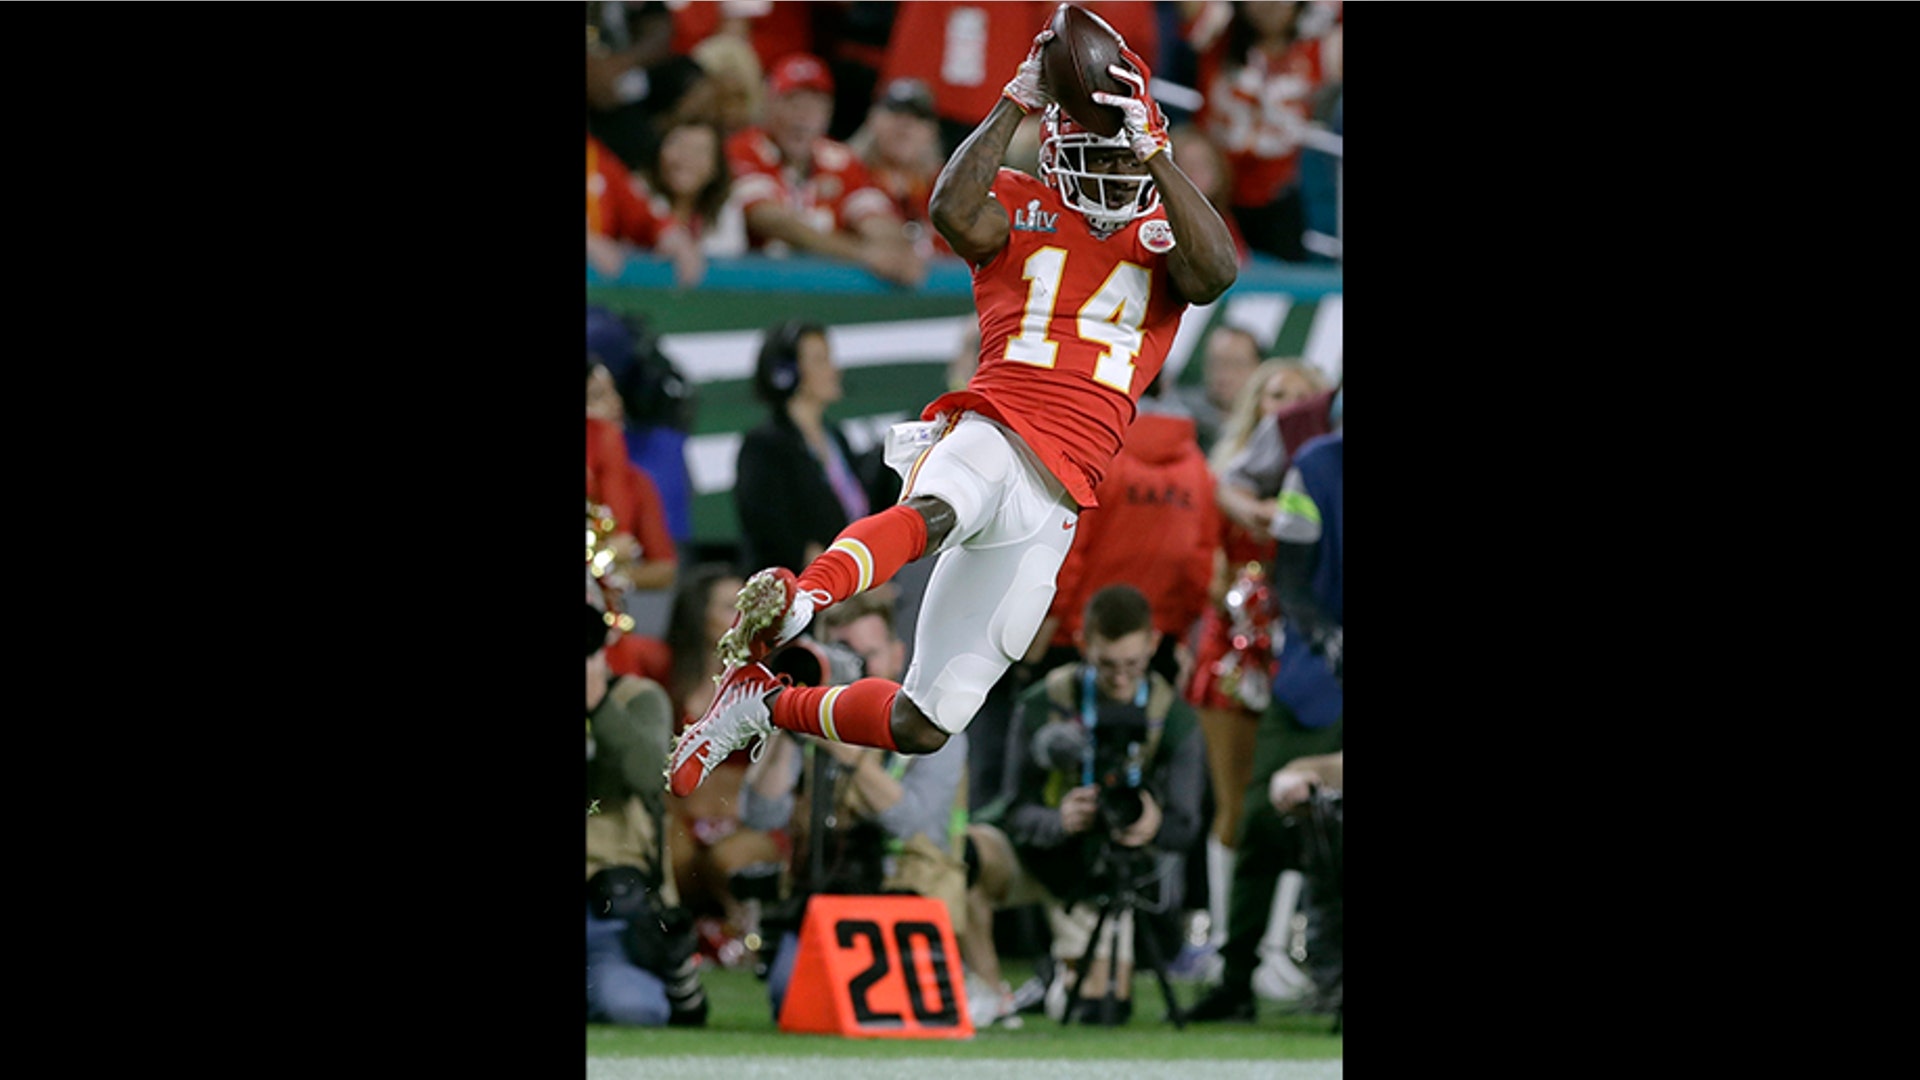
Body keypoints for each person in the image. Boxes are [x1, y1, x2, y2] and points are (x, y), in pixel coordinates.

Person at [668, 7, 1238, 802]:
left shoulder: (1166, 237)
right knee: (944, 503)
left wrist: (1151, 151)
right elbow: (948, 210)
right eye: (1098, 158)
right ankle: (802, 597)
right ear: (1056, 152)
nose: (1112, 176)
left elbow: (1217, 274)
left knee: (926, 723)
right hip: (1001, 420)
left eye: (1125, 161)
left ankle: (762, 700)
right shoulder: (1020, 202)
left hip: (1063, 493)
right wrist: (1012, 100)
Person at [965, 584, 1206, 1025]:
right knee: (967, 855)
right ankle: (988, 991)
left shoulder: (1173, 716)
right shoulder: (1046, 700)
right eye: (1106, 664)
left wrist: (1151, 826)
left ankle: (1060, 979)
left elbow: (1187, 826)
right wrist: (1059, 819)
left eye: (1132, 665)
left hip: (1100, 874)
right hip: (1034, 854)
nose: (1119, 677)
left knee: (1099, 1010)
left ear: (1154, 645)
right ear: (1083, 644)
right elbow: (1013, 805)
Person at [736, 595, 975, 1023]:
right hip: (825, 901)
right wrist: (786, 724)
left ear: (899, 655)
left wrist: (845, 753)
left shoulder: (937, 726)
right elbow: (759, 815)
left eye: (870, 655)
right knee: (789, 997)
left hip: (910, 898)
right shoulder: (811, 716)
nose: (859, 667)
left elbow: (913, 822)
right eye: (843, 653)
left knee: (883, 1012)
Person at [1187, 424, 1342, 1022]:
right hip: (1314, 678)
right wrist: (1324, 635)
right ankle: (1236, 977)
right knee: (1259, 820)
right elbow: (1293, 574)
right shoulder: (1315, 464)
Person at [586, 569, 708, 1027]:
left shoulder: (638, 698)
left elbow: (645, 775)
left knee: (635, 1007)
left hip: (608, 910)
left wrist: (597, 703)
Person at [659, 563, 783, 966]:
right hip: (682, 819)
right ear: (699, 616)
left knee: (728, 859)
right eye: (730, 605)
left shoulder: (768, 679)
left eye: (746, 605)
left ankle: (750, 942)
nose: (741, 616)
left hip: (747, 822)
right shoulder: (666, 675)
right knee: (668, 849)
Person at [725, 52, 926, 287]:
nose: (803, 116)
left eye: (815, 106)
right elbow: (770, 220)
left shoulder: (839, 159)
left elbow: (875, 218)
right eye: (793, 102)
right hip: (756, 290)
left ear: (828, 113)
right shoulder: (743, 148)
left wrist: (896, 250)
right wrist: (861, 255)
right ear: (770, 104)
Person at [732, 320, 897, 577]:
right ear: (785, 372)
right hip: (800, 594)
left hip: (850, 588)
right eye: (821, 360)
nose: (834, 370)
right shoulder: (763, 446)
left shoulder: (836, 437)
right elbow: (772, 533)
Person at [1191, 0, 1341, 262]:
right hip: (1215, 190)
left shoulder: (1319, 51)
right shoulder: (1218, 34)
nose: (1268, 5)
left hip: (1280, 196)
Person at [846, 77, 953, 261]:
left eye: (918, 117)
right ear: (872, 120)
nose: (905, 125)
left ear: (932, 131)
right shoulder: (846, 172)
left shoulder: (948, 187)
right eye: (895, 113)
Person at [1179, 322, 1262, 456]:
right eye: (1217, 363)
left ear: (1257, 367)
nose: (1225, 374)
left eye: (1237, 364)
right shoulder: (1180, 414)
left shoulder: (1266, 424)